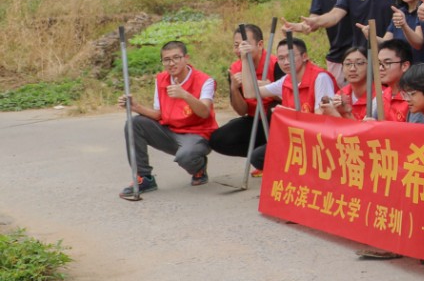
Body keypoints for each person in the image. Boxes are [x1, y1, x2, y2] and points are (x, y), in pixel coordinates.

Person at [117, 40, 218, 198]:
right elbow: (159, 114)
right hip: (171, 132)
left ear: (186, 58)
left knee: (186, 156)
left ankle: (199, 167)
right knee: (134, 123)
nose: (171, 63)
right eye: (166, 60)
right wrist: (136, 107)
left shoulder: (205, 81)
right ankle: (144, 177)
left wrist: (184, 94)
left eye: (176, 58)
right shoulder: (161, 79)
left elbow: (204, 112)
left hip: (197, 135)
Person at [244, 37, 336, 170]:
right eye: (281, 58)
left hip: (320, 141)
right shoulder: (286, 80)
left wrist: (287, 114)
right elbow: (250, 93)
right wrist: (245, 60)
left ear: (305, 56)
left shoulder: (320, 78)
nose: (286, 62)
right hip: (298, 138)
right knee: (258, 157)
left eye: (290, 57)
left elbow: (321, 120)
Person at [208, 24, 280, 161]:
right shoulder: (235, 69)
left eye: (244, 45)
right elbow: (242, 111)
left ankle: (271, 157)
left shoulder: (276, 64)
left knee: (273, 110)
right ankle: (261, 156)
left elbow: (289, 98)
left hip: (275, 118)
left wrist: (270, 89)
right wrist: (234, 88)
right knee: (218, 140)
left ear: (260, 45)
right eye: (236, 45)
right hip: (254, 118)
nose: (240, 49)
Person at [320, 46, 373, 119]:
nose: (352, 69)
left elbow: (365, 130)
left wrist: (336, 114)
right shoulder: (342, 94)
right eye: (348, 64)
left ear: (371, 66)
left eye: (359, 63)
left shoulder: (380, 97)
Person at [375, 39, 417, 122]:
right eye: (379, 63)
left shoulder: (415, 98)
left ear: (405, 66)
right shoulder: (382, 96)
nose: (380, 68)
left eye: (387, 63)